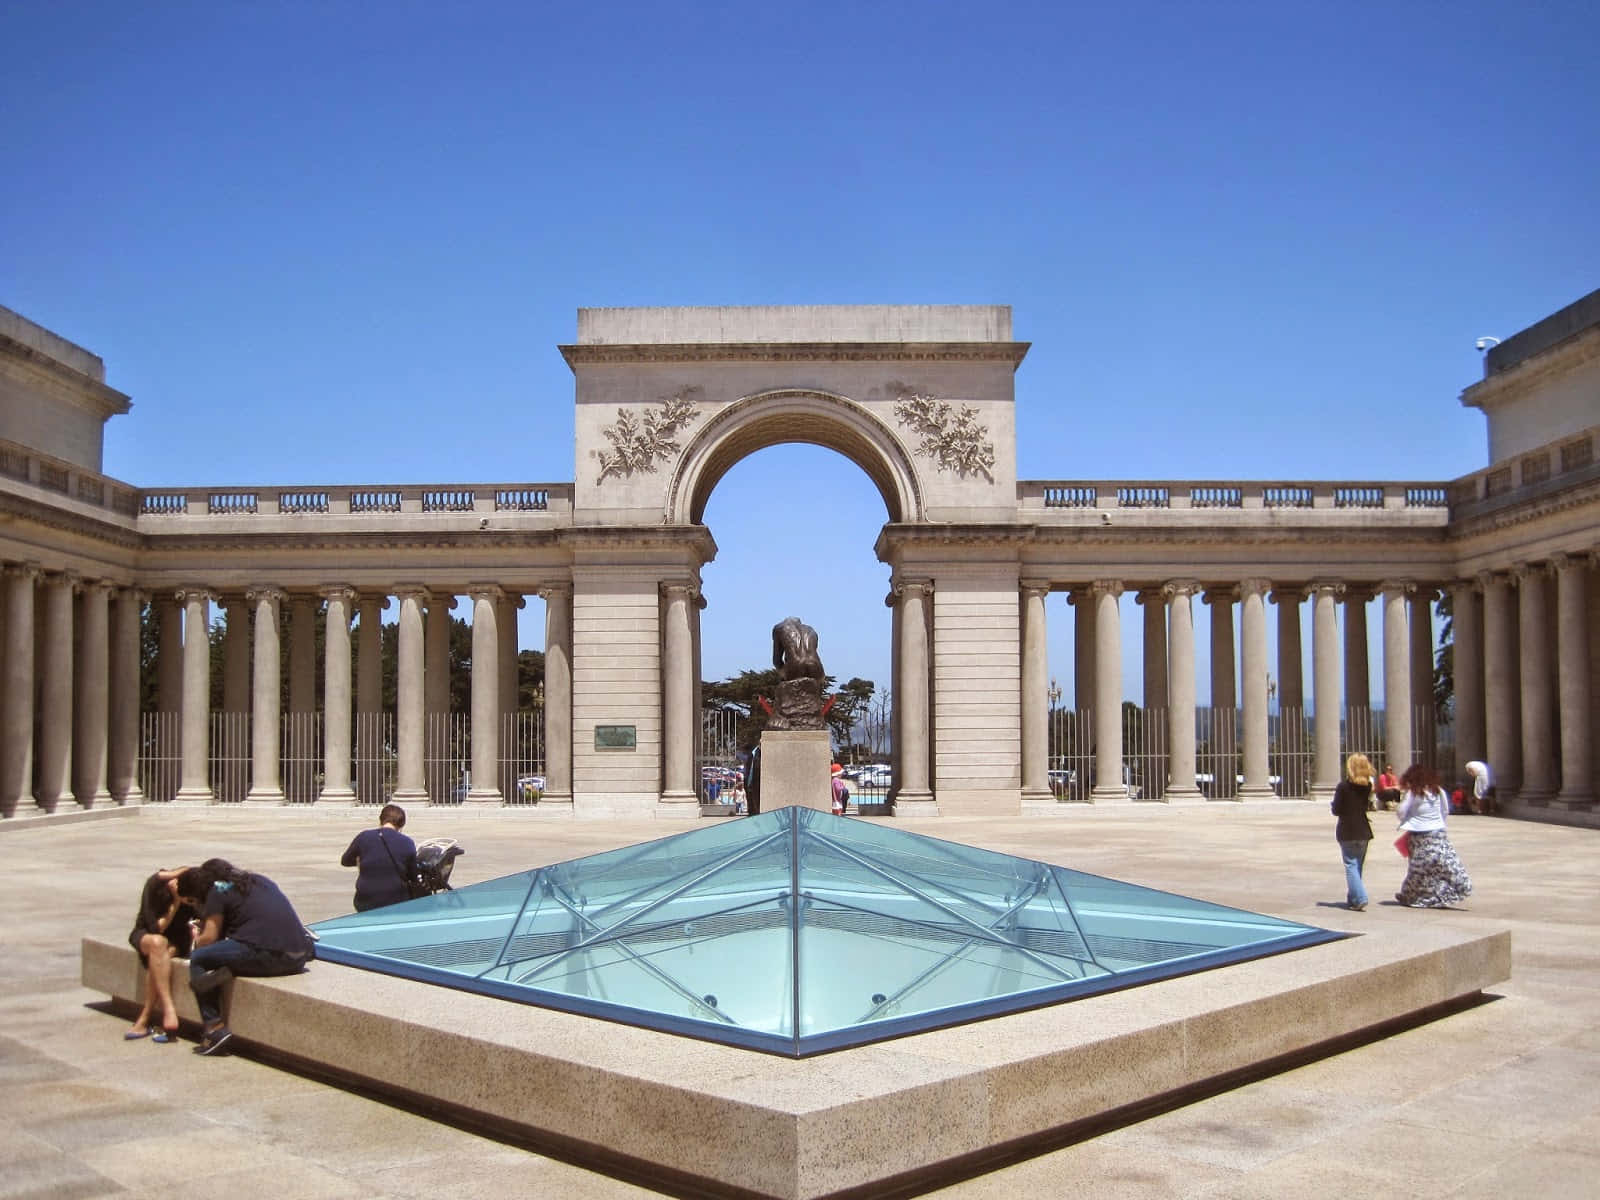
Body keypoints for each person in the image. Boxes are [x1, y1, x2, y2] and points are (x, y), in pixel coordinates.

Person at [177, 858, 315, 1055]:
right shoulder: (258, 880)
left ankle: (214, 1029)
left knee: (200, 958)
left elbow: (209, 939)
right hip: (298, 956)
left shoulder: (218, 889)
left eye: (191, 902)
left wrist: (196, 936)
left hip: (268, 955)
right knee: (225, 956)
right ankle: (220, 975)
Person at [124, 867, 197, 1041]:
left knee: (159, 958)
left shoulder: (195, 892)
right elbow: (156, 929)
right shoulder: (155, 886)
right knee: (159, 944)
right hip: (146, 935)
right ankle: (168, 1010)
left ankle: (144, 1018)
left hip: (177, 941)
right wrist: (176, 903)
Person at [1395, 764, 1473, 908]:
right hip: (1437, 834)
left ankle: (1414, 895)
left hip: (1419, 835)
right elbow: (1445, 810)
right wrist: (1438, 823)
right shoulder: (1439, 792)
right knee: (1445, 865)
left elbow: (1401, 811)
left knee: (1418, 870)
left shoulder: (1413, 793)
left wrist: (1410, 819)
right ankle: (1446, 892)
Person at [340, 803, 418, 912]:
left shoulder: (364, 836)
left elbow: (345, 861)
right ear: (401, 824)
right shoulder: (407, 842)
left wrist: (364, 860)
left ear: (381, 820)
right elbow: (413, 875)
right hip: (396, 900)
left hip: (365, 899)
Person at [1330, 754, 1375, 911]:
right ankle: (1353, 898)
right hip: (1363, 830)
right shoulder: (1367, 786)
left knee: (1350, 865)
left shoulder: (1343, 787)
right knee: (1357, 866)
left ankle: (1360, 898)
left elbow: (1336, 810)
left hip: (1347, 830)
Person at [745, 744, 762, 816]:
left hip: (757, 782)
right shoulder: (753, 753)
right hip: (751, 782)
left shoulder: (757, 753)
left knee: (756, 804)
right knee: (752, 804)